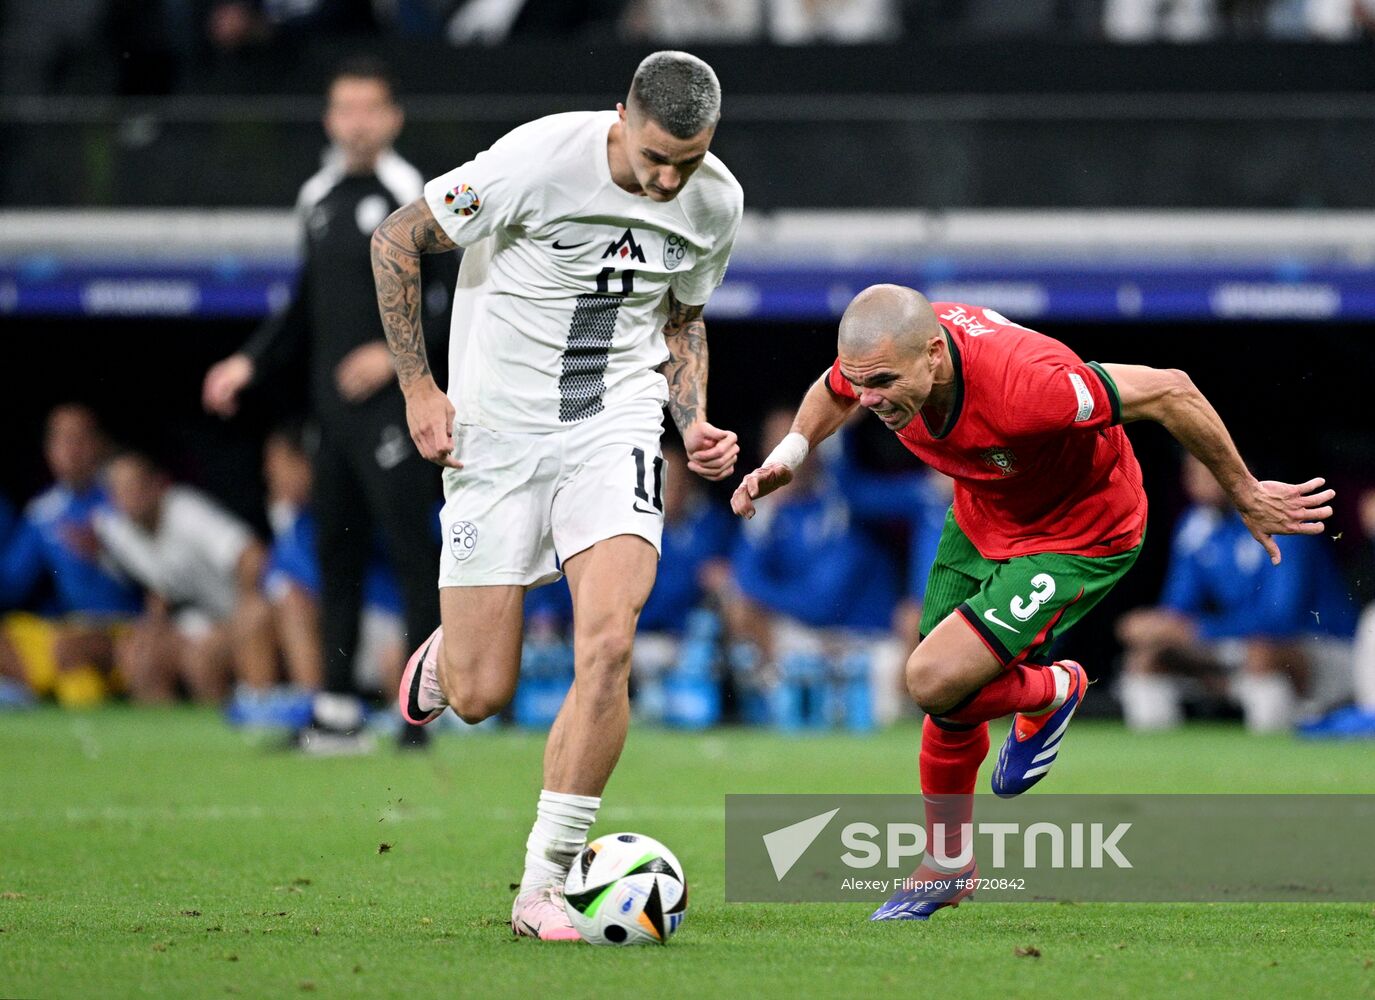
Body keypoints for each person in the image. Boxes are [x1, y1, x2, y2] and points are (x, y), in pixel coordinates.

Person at [731, 285, 1332, 921]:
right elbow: (835, 389)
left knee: (931, 678)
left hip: (1081, 532)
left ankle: (1051, 690)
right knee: (948, 698)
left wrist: (1242, 491)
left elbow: (1172, 388)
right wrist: (793, 454)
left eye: (881, 381)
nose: (868, 399)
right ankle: (948, 865)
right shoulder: (883, 363)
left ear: (935, 356)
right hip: (986, 512)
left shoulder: (1029, 388)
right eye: (862, 383)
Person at [370, 50, 742, 939]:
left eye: (684, 162)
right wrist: (421, 391)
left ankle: (542, 883)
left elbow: (682, 320)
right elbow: (393, 240)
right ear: (620, 114)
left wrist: (689, 424)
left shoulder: (713, 200)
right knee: (481, 695)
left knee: (608, 644)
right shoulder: (537, 161)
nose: (666, 179)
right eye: (655, 157)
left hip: (614, 421)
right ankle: (451, 658)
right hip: (495, 434)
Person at [202, 56, 453, 752]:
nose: (358, 121)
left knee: (411, 553)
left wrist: (390, 354)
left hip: (398, 410)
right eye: (346, 108)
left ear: (393, 117)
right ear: (329, 119)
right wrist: (245, 361)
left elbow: (451, 301)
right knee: (332, 554)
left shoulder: (417, 194)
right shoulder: (315, 195)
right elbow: (306, 304)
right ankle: (337, 712)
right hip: (331, 415)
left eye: (371, 107)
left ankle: (421, 715)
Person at [1117, 455, 1355, 732]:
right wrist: (1156, 626)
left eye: (1209, 469)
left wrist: (1196, 630)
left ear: (1243, 472)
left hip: (1328, 651)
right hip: (1239, 645)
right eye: (1192, 471)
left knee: (1262, 655)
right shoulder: (1196, 526)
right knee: (1147, 657)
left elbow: (1280, 620)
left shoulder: (1284, 520)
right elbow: (1178, 608)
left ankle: (1274, 751)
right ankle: (1157, 763)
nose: (1197, 479)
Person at [93, 452, 276, 704]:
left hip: (245, 615)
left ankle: (222, 738)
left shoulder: (186, 510)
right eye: (120, 489)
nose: (128, 496)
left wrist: (242, 612)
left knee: (200, 661)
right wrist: (152, 629)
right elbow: (162, 585)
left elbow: (252, 554)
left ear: (158, 485)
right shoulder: (118, 532)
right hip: (200, 620)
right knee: (141, 657)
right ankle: (162, 742)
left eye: (135, 486)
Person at [0, 404, 142, 706]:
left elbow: (163, 575)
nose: (71, 450)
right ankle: (32, 692)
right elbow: (10, 584)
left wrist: (109, 552)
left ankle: (40, 689)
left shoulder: (123, 497)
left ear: (100, 444)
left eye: (80, 438)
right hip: (72, 631)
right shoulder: (44, 513)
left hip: (126, 630)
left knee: (71, 648)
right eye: (61, 440)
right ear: (48, 450)